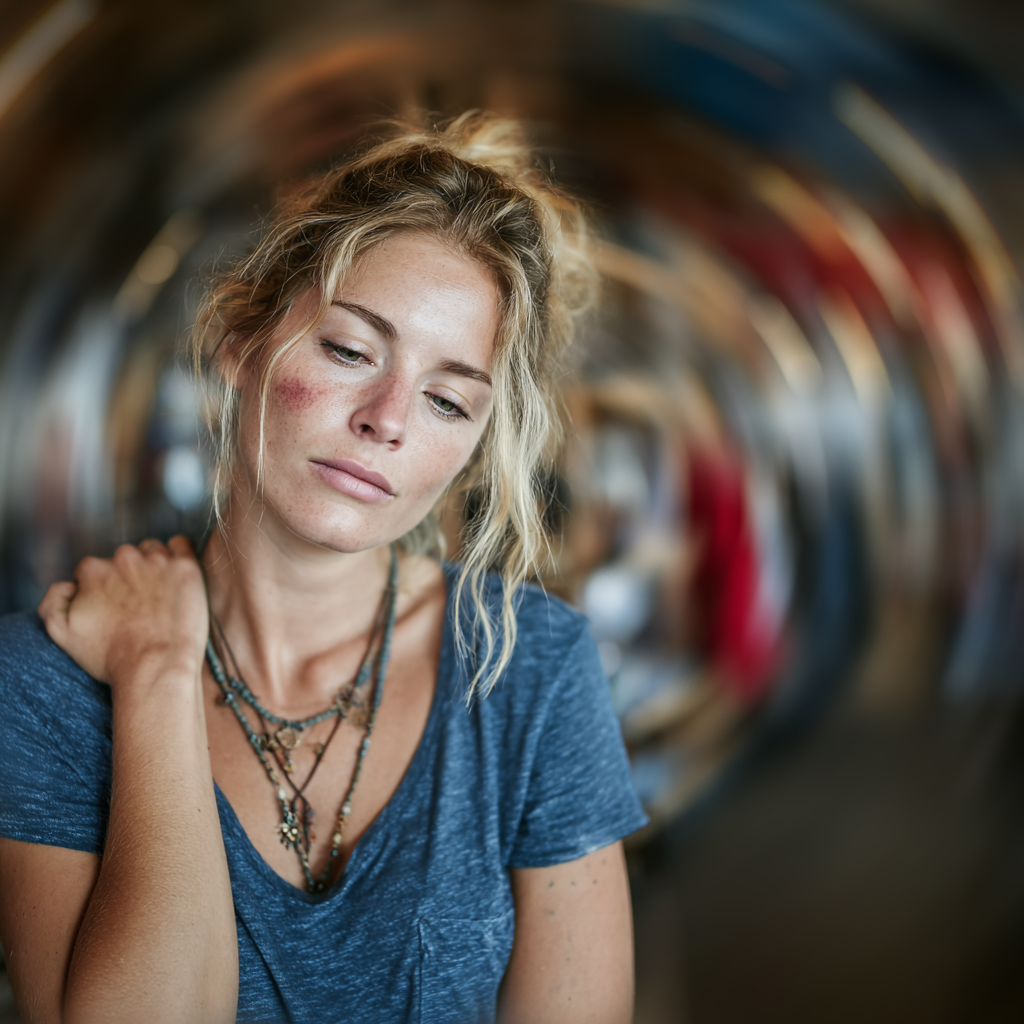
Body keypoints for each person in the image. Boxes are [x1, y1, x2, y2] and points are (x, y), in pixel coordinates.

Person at [0, 113, 647, 1024]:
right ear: (241, 341)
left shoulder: (531, 668)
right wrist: (154, 674)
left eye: (447, 400)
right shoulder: (44, 682)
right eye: (349, 350)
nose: (388, 418)